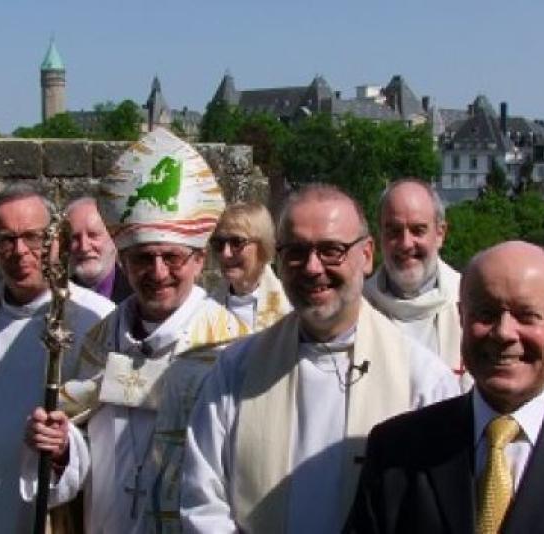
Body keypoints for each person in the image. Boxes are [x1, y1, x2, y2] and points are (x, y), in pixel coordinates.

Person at [180, 184, 460, 533]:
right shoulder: (236, 370)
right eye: (297, 252)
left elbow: (439, 512)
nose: (313, 268)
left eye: (332, 250)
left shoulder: (423, 380)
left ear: (367, 254)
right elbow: (202, 499)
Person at [346, 241, 544, 534]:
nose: (503, 333)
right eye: (486, 313)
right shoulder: (396, 451)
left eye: (527, 316)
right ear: (462, 317)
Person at [23, 127, 248, 533]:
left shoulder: (230, 345)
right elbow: (88, 447)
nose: (158, 273)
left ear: (199, 261)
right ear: (122, 262)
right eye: (144, 257)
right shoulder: (99, 340)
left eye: (172, 257)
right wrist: (62, 451)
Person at [0, 185, 114, 533]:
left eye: (33, 237)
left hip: (58, 508)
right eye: (6, 239)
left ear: (56, 240)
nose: (20, 251)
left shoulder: (97, 319)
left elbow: (110, 430)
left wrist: (64, 449)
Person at [363, 178, 467, 387]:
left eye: (418, 230)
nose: (406, 244)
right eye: (393, 231)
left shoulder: (469, 301)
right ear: (380, 235)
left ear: (440, 234)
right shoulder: (359, 307)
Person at [209, 201, 291, 331]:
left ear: (263, 246)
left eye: (237, 242)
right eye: (218, 243)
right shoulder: (203, 311)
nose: (226, 253)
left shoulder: (292, 310)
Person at [66, 196, 132, 304]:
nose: (84, 247)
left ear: (114, 237)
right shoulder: (56, 300)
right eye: (75, 237)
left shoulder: (139, 294)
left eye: (93, 235)